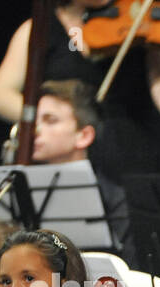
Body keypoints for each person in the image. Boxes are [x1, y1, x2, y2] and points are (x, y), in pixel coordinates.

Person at [0, 0, 160, 180]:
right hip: (62, 159)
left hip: (128, 159)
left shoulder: (143, 21)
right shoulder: (37, 28)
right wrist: (55, 122)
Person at [28, 79, 135, 264]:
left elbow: (129, 271)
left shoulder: (115, 201)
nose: (35, 130)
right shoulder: (23, 191)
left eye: (50, 121)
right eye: (35, 121)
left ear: (84, 136)